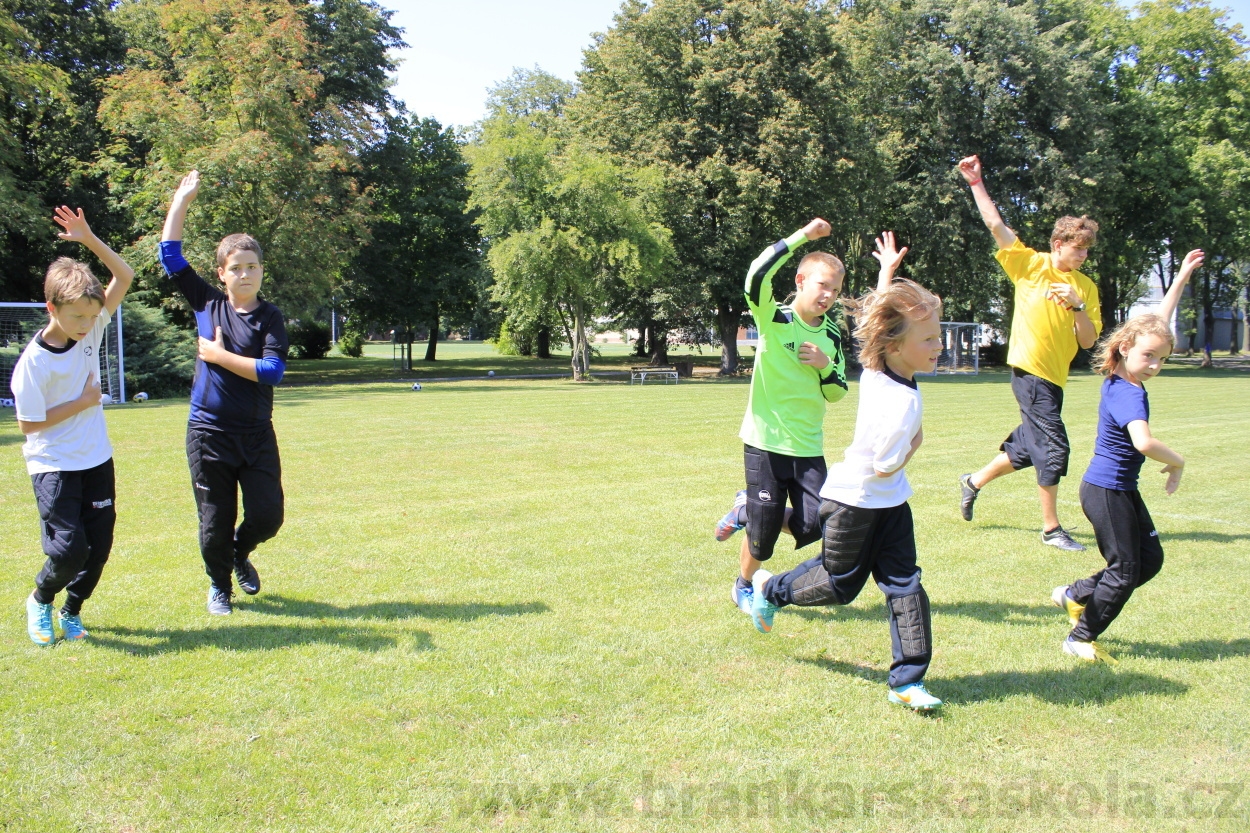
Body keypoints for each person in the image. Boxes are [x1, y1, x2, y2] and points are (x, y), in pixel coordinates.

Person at [749, 276, 946, 710]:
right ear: (895, 345)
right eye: (929, 338)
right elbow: (883, 465)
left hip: (892, 504)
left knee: (905, 584)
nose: (939, 346)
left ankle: (907, 682)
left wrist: (887, 279)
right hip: (854, 501)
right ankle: (769, 590)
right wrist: (915, 444)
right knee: (839, 586)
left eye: (938, 336)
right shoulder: (900, 402)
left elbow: (877, 328)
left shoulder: (878, 371)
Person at [715, 220, 908, 617]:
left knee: (817, 525)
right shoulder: (774, 317)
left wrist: (824, 367)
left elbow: (837, 392)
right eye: (822, 286)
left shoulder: (832, 335)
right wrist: (803, 236)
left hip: (807, 447)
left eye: (835, 290)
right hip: (765, 443)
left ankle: (745, 509)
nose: (829, 296)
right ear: (801, 280)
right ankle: (743, 584)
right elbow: (755, 273)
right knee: (764, 542)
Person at [1051, 249, 1203, 663]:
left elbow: (1156, 325)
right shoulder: (1127, 393)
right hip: (1105, 491)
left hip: (1119, 489)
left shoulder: (1125, 372)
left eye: (1162, 359)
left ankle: (1074, 593)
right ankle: (1079, 637)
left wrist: (1181, 278)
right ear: (1124, 348)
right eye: (1148, 356)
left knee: (1148, 560)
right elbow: (1144, 443)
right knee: (1125, 571)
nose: (1154, 365)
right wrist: (1178, 461)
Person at [955, 154, 1102, 551]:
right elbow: (995, 225)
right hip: (1030, 372)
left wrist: (1078, 306)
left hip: (1055, 378)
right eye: (1077, 249)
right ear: (1058, 244)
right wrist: (976, 183)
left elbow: (1088, 342)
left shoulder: (1085, 287)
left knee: (1026, 448)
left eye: (1087, 251)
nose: (1082, 257)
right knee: (1054, 448)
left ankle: (973, 481)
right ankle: (1052, 529)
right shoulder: (1031, 266)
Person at [160, 170, 289, 615]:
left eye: (252, 265)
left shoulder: (270, 317)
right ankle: (220, 586)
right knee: (214, 523)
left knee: (268, 517)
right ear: (222, 273)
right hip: (208, 434)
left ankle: (239, 553)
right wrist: (182, 199)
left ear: (261, 271)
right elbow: (170, 255)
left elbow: (271, 372)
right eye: (236, 267)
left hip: (256, 434)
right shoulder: (206, 303)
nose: (245, 273)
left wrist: (217, 356)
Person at [11, 206, 134, 644]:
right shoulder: (32, 364)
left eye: (91, 316)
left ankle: (73, 609)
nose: (87, 326)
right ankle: (40, 599)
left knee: (97, 550)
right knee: (68, 549)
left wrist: (87, 240)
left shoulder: (92, 328)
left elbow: (124, 274)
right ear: (52, 308)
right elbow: (28, 425)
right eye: (77, 317)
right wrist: (83, 402)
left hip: (96, 459)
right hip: (52, 463)